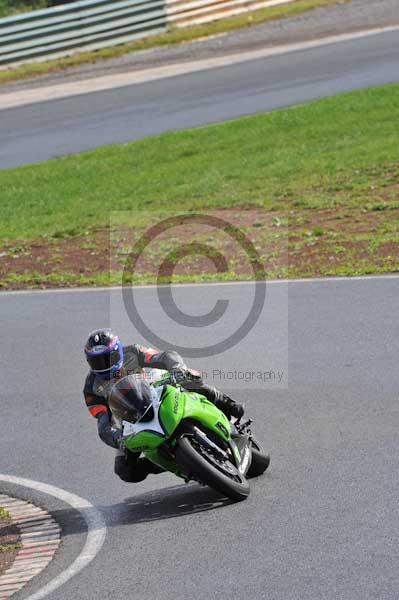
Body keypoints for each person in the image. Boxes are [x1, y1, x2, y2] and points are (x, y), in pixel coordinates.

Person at [83, 328, 244, 483]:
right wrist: (117, 439)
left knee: (190, 378)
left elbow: (166, 356)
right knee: (124, 470)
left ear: (116, 352)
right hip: (131, 420)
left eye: (106, 359)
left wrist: (177, 368)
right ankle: (175, 463)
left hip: (157, 390)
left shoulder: (133, 351)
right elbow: (103, 424)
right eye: (95, 361)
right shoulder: (91, 388)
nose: (102, 365)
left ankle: (227, 403)